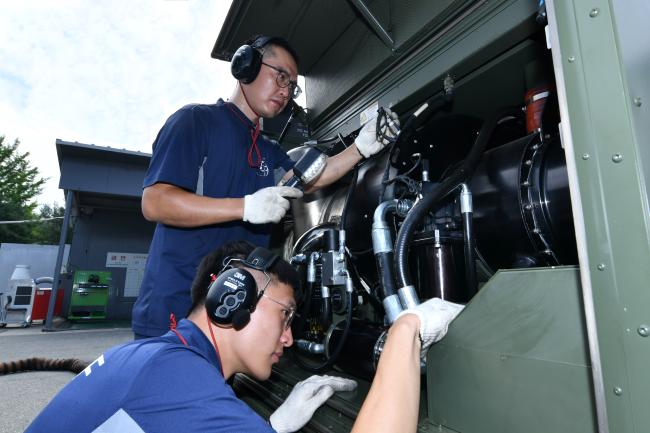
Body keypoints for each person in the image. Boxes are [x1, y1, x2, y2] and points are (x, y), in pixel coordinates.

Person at [26, 241, 463, 433]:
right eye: (286, 316)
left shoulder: (159, 358)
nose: (289, 339)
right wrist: (406, 332)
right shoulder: (175, 376)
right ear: (230, 297)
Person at [132, 34, 398, 339]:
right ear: (246, 65)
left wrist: (361, 148)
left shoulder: (268, 150)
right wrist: (245, 207)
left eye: (292, 86)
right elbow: (156, 202)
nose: (286, 91)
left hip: (233, 311)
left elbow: (311, 179)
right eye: (280, 76)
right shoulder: (194, 122)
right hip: (176, 310)